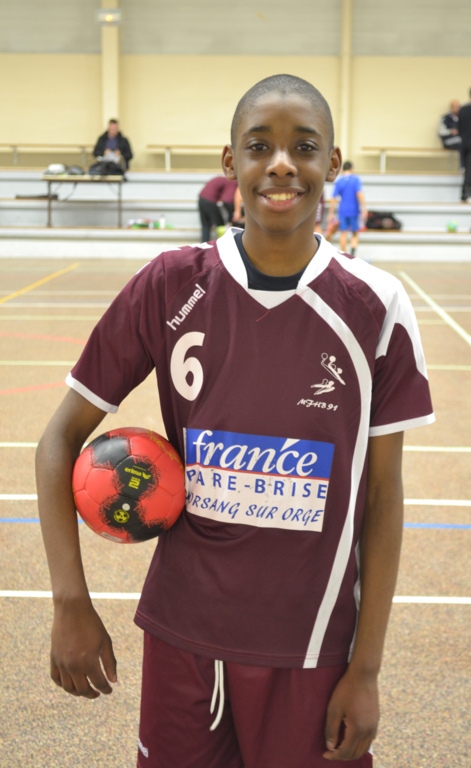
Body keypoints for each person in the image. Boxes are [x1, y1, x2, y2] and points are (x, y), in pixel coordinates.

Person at [36, 74, 435, 768]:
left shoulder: (377, 305)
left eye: (304, 147)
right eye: (259, 147)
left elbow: (382, 495)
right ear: (230, 163)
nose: (281, 165)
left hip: (312, 647)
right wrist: (70, 600)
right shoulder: (169, 285)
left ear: (332, 164)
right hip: (183, 635)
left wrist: (366, 668)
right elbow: (57, 442)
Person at [327, 161, 367, 256]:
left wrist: (331, 213)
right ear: (351, 169)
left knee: (343, 233)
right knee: (355, 233)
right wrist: (364, 208)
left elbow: (333, 198)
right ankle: (352, 254)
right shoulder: (355, 179)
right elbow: (359, 193)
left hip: (343, 210)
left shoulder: (339, 181)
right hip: (354, 210)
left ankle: (344, 255)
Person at [198, 175, 238, 241]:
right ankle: (222, 242)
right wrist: (232, 214)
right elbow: (227, 199)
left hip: (201, 199)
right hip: (210, 201)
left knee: (206, 225)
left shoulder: (221, 179)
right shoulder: (232, 182)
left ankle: (204, 243)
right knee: (220, 224)